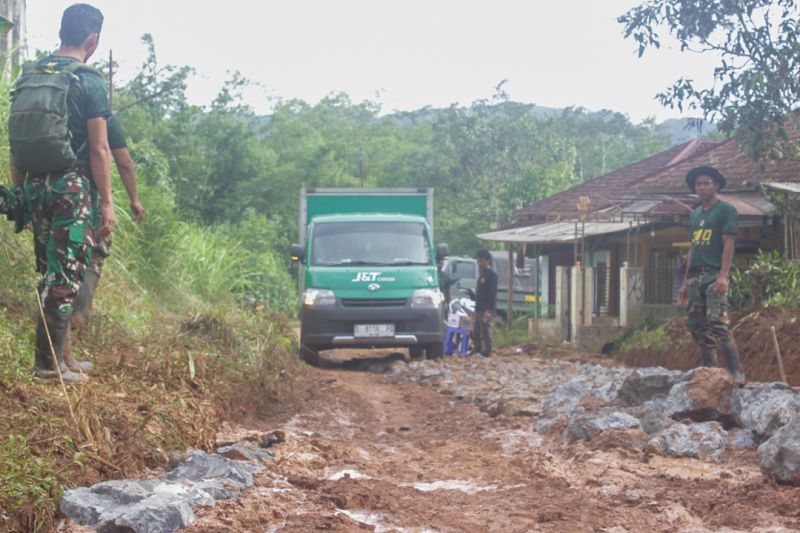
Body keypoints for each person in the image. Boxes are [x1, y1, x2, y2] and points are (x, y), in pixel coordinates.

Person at [9, 3, 114, 382]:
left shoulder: (31, 75)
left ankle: (64, 356)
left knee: (51, 271)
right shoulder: (88, 80)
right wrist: (106, 202)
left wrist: (20, 192)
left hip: (36, 184)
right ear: (92, 39)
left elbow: (16, 143)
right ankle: (48, 365)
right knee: (65, 275)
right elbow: (100, 148)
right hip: (72, 188)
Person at [64, 114, 145, 372]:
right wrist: (133, 199)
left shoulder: (49, 100)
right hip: (82, 194)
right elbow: (123, 162)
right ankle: (78, 313)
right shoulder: (99, 112)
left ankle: (60, 353)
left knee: (55, 265)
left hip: (44, 191)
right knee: (92, 254)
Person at [678, 166, 746, 384]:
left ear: (716, 185)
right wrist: (684, 281)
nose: (702, 187)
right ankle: (711, 371)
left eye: (707, 182)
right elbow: (693, 248)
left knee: (717, 321)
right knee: (697, 324)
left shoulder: (725, 210)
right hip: (695, 277)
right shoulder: (695, 214)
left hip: (714, 273)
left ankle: (737, 372)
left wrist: (724, 275)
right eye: (698, 184)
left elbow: (729, 244)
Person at [472, 249, 497, 357]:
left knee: (485, 331)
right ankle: (477, 350)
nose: (479, 263)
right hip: (478, 307)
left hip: (486, 308)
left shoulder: (492, 275)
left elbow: (492, 294)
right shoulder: (481, 273)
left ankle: (487, 352)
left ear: (487, 261)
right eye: (478, 261)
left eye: (481, 261)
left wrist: (489, 310)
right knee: (475, 330)